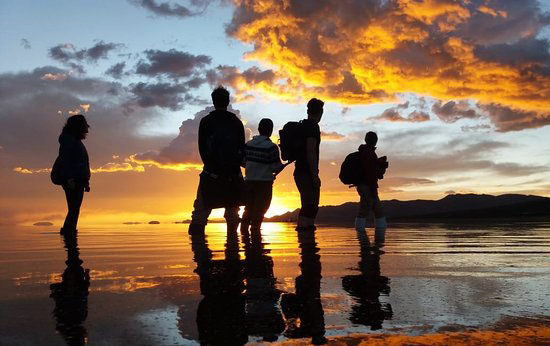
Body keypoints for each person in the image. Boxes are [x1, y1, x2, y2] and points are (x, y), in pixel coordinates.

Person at [188, 86, 245, 234]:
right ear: (228, 101)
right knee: (233, 214)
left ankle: (198, 252)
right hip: (233, 174)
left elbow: (202, 148)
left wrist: (211, 166)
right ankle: (233, 251)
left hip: (211, 173)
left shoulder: (206, 121)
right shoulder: (236, 122)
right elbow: (241, 149)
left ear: (213, 102)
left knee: (200, 214)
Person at [241, 118, 286, 232]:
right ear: (270, 131)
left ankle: (243, 238)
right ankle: (256, 242)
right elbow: (275, 167)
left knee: (248, 210)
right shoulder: (271, 147)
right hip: (264, 184)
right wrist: (284, 165)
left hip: (248, 182)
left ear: (259, 129)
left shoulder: (248, 145)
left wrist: (254, 167)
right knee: (260, 211)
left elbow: (243, 162)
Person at [57, 114, 91, 234]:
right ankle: (68, 234)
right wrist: (69, 178)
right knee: (74, 209)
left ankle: (69, 233)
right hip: (73, 180)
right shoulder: (69, 140)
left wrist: (86, 181)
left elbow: (82, 163)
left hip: (78, 180)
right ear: (78, 127)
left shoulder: (75, 141)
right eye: (85, 126)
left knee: (74, 209)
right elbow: (65, 160)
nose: (87, 129)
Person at [294, 98, 324, 230]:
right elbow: (310, 150)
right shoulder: (313, 127)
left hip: (299, 172)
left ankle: (306, 245)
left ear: (308, 111)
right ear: (321, 112)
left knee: (307, 206)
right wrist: (314, 175)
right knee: (311, 206)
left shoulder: (302, 126)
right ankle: (307, 244)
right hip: (307, 172)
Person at [355, 131, 387, 232]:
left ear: (365, 140)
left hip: (364, 185)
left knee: (378, 211)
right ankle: (361, 238)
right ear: (375, 141)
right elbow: (371, 173)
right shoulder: (369, 154)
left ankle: (377, 240)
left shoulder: (364, 152)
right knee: (364, 210)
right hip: (368, 186)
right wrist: (381, 168)